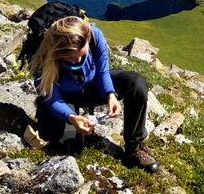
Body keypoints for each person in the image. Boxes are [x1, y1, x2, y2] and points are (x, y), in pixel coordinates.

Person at [28, 15, 159, 173]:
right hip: (64, 99)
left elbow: (102, 72)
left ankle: (134, 147)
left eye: (82, 54)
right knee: (71, 150)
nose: (78, 61)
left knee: (136, 83)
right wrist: (70, 117)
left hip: (91, 87)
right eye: (70, 57)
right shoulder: (43, 60)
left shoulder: (94, 35)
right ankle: (65, 130)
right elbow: (52, 98)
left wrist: (110, 94)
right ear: (57, 52)